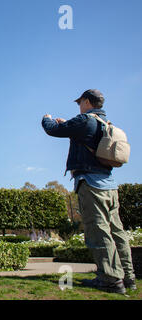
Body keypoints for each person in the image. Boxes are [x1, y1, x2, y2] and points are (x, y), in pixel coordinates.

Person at [41, 89, 136, 294]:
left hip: (91, 184)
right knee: (117, 232)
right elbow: (82, 133)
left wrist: (46, 118)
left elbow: (53, 130)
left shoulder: (84, 120)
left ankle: (110, 280)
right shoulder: (105, 123)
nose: (79, 106)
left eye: (80, 103)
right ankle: (128, 277)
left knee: (98, 232)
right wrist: (68, 123)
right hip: (110, 185)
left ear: (86, 101)